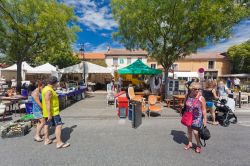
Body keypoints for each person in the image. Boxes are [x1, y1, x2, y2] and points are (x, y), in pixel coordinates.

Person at [42, 76, 70, 149]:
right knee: (59, 125)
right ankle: (59, 142)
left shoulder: (46, 88)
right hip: (53, 112)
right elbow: (48, 102)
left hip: (47, 111)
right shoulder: (49, 90)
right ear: (54, 83)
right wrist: (49, 114)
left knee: (47, 125)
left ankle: (47, 139)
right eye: (57, 82)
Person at [183, 82, 207, 153]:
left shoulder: (201, 98)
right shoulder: (188, 95)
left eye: (199, 89)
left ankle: (198, 145)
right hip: (189, 116)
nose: (197, 90)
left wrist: (205, 120)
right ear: (191, 89)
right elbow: (185, 104)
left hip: (197, 117)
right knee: (189, 130)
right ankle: (190, 143)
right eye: (195, 89)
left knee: (195, 132)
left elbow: (204, 109)